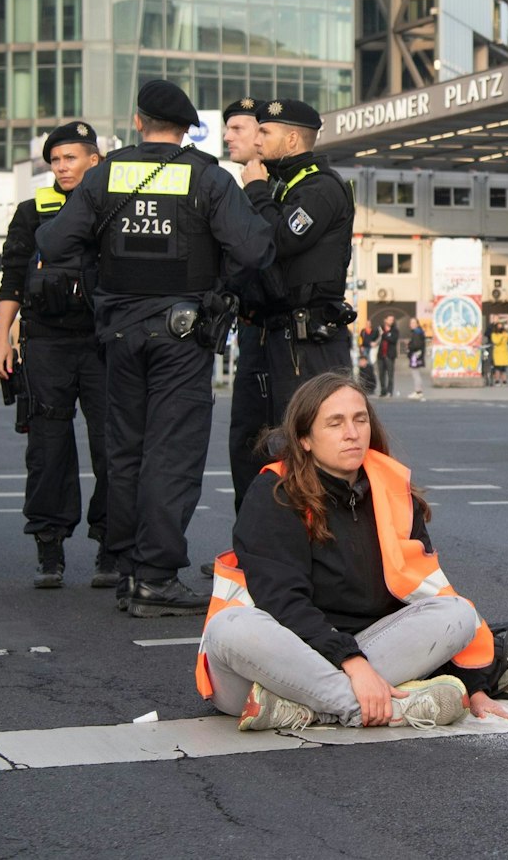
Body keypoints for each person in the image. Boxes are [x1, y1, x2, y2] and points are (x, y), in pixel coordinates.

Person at [37, 80, 273, 616]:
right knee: (173, 456)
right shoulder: (207, 177)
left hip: (117, 334)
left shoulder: (106, 174)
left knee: (125, 454)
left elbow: (52, 243)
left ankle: (124, 566)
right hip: (180, 337)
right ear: (187, 128)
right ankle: (156, 577)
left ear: (138, 121)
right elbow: (256, 247)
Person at [196, 373, 508, 730]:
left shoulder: (393, 493)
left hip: (369, 652)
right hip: (272, 664)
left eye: (360, 419)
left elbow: (428, 591)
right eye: (335, 423)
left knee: (456, 613)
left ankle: (307, 707)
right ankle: (372, 707)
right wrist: (352, 664)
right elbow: (282, 602)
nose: (352, 433)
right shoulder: (274, 492)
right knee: (229, 626)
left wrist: (476, 688)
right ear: (304, 438)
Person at [0, 121, 116, 587]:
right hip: (45, 344)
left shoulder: (114, 207)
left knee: (112, 448)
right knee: (47, 448)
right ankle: (50, 547)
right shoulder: (32, 210)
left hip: (103, 345)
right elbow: (12, 279)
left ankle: (110, 545)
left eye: (71, 158)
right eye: (56, 160)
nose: (62, 167)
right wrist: (2, 337)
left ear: (94, 160)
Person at [242, 98, 356, 445]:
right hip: (283, 333)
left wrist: (257, 192)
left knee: (316, 438)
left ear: (292, 140)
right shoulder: (285, 184)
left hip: (311, 339)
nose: (256, 139)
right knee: (286, 439)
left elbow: (282, 239)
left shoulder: (320, 187)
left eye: (264, 131)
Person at [220, 99, 273, 507]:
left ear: (262, 134)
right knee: (244, 441)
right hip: (252, 331)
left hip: (283, 330)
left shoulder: (279, 188)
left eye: (238, 128)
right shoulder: (233, 187)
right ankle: (250, 541)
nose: (226, 136)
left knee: (281, 440)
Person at [371, 312, 399, 398]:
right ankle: (383, 391)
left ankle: (390, 392)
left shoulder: (395, 330)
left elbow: (393, 340)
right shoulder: (380, 329)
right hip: (380, 355)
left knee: (390, 374)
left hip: (390, 355)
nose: (391, 321)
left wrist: (384, 334)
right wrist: (378, 333)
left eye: (392, 320)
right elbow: (373, 338)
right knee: (381, 374)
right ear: (385, 320)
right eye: (389, 319)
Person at [405, 317, 427, 400]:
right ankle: (417, 390)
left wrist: (409, 346)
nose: (412, 324)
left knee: (416, 374)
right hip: (417, 355)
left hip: (416, 355)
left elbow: (416, 345)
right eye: (411, 323)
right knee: (415, 373)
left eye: (413, 323)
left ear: (417, 324)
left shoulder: (417, 332)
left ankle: (418, 391)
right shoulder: (418, 332)